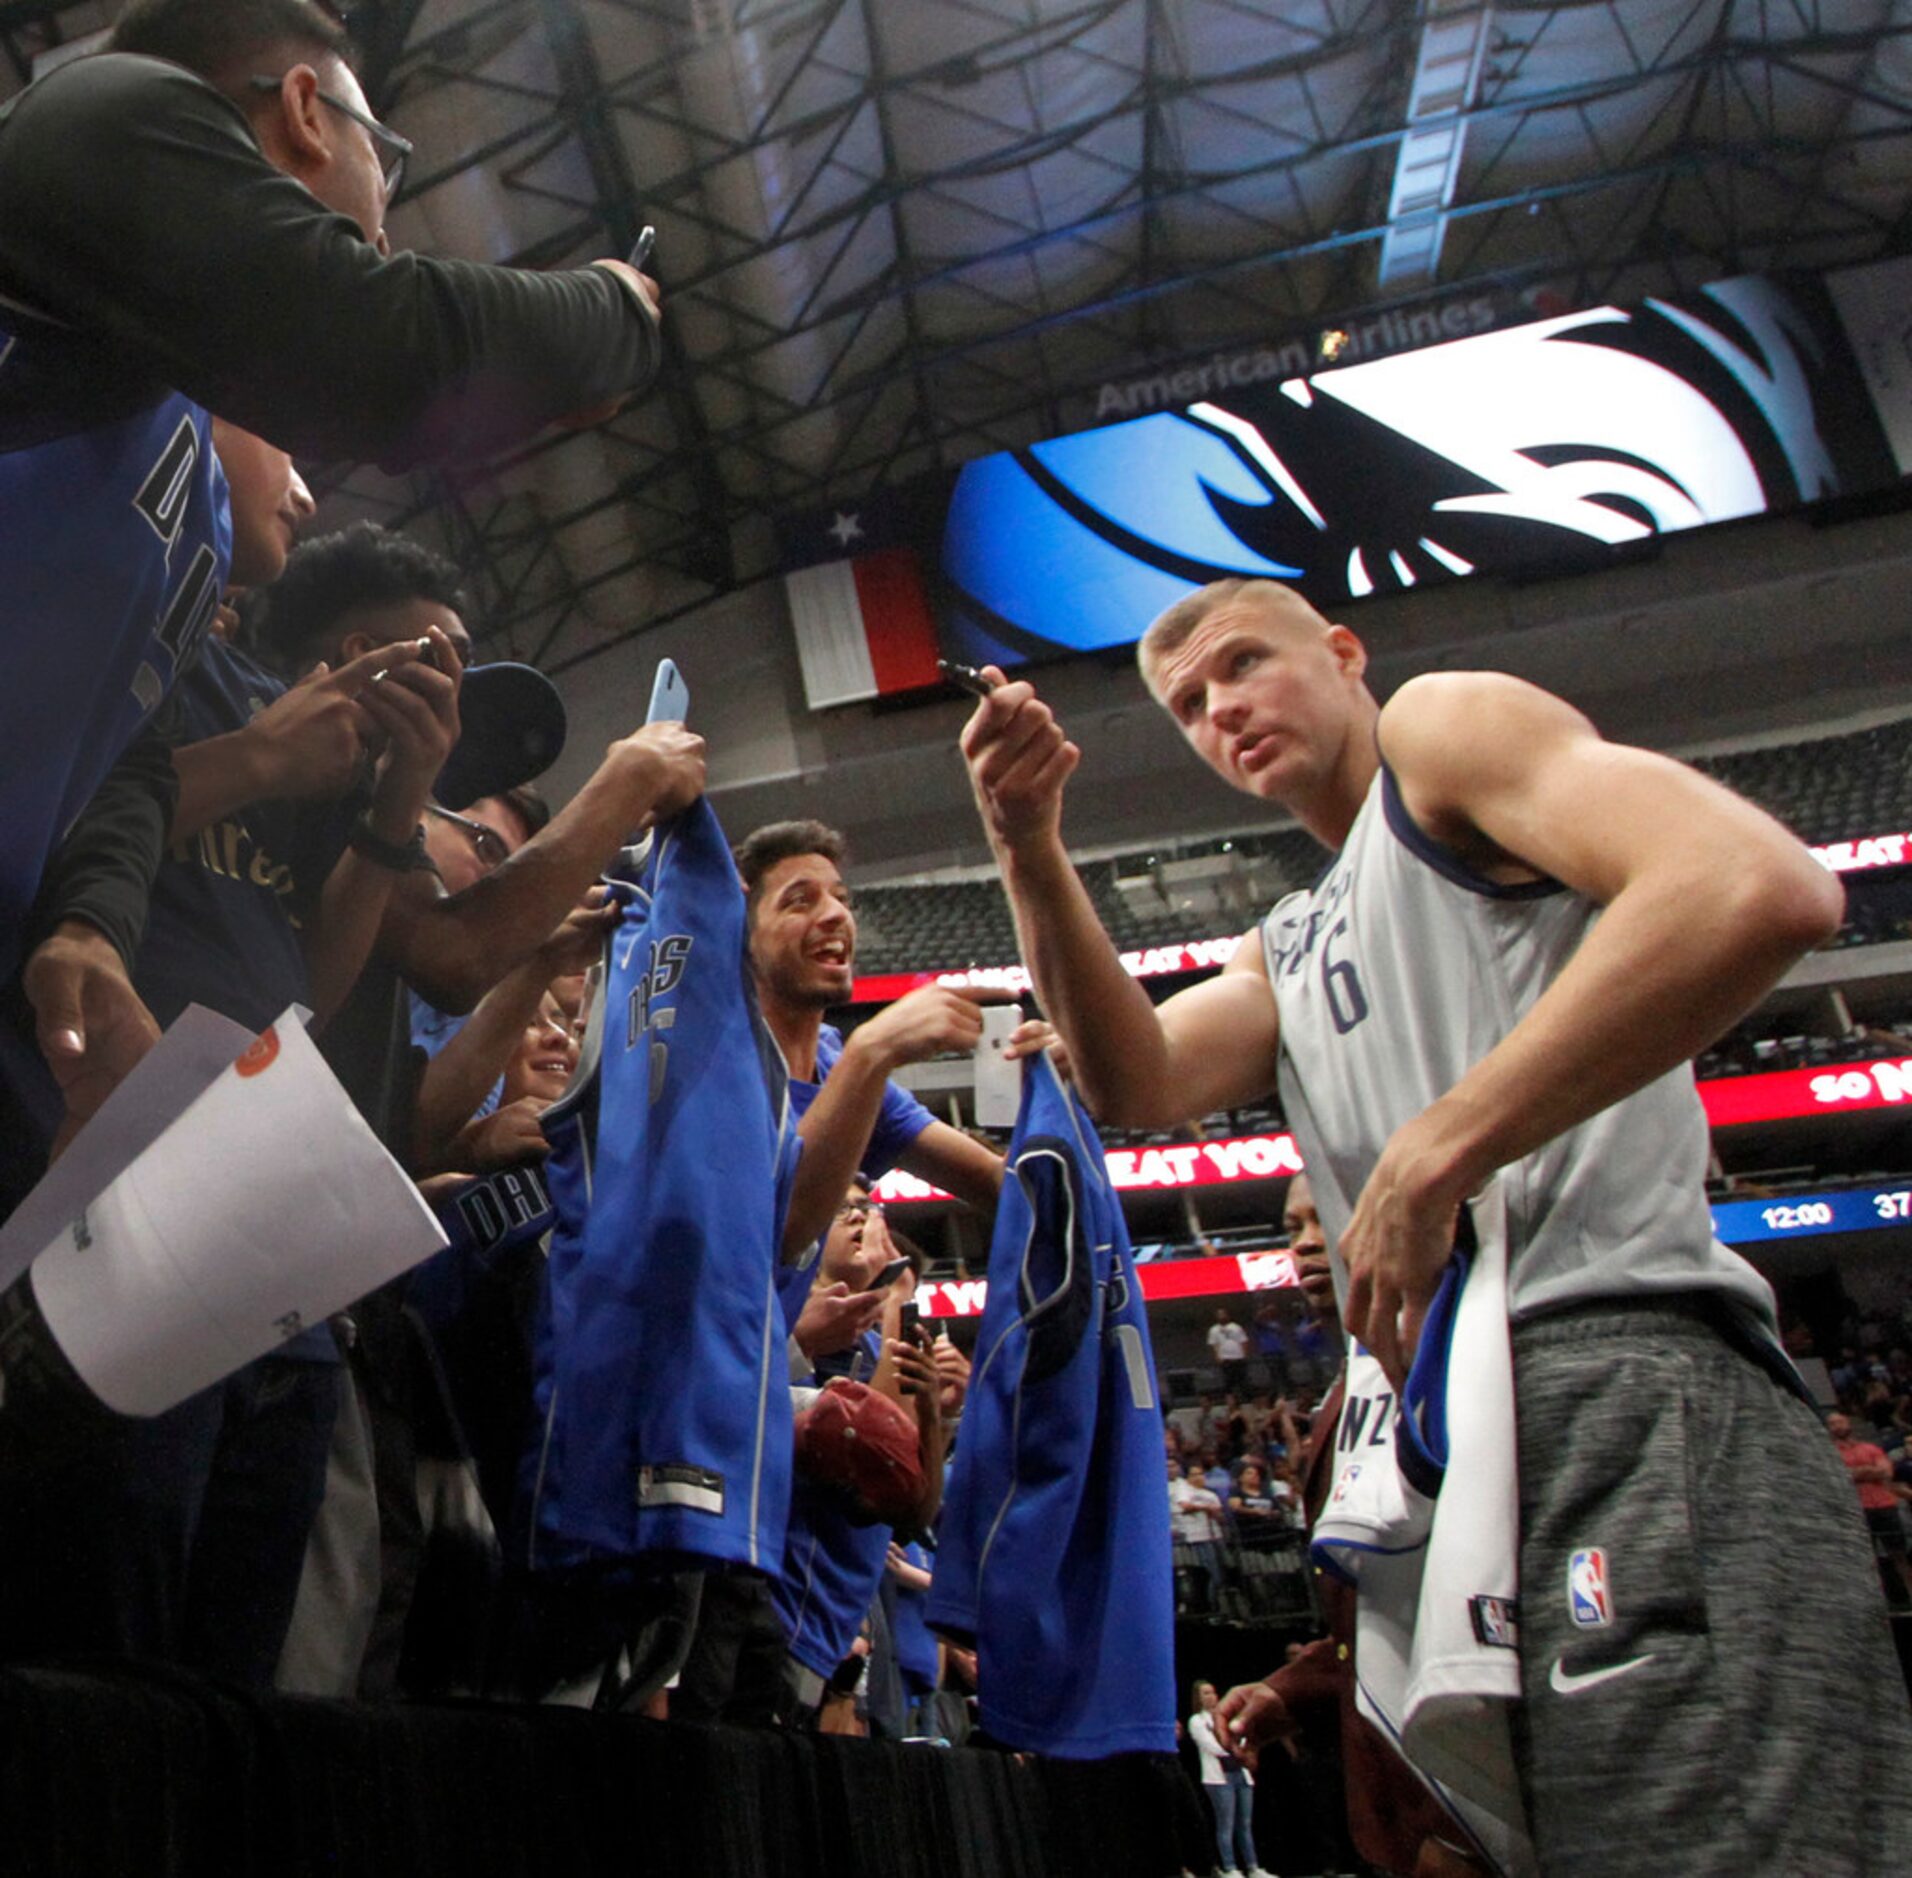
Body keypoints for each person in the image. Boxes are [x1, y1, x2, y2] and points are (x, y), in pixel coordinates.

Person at [959, 575, 1912, 1871]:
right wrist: (1025, 839)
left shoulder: (1442, 730)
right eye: (1188, 703)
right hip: (1454, 1441)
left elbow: (1755, 880)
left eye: (1247, 663)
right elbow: (1135, 1078)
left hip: (1617, 1362)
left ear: (1345, 651)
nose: (1221, 707)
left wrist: (1438, 1147)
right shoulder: (1283, 941)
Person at [1, 0, 664, 1116]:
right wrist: (616, 311)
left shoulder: (191, 490)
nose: (385, 228)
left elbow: (117, 760)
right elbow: (383, 355)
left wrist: (89, 924)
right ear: (308, 108)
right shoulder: (100, 111)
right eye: (387, 171)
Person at [1188, 1679, 1272, 1878]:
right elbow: (1212, 1745)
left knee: (1245, 1823)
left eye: (1213, 1692)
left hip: (1240, 1774)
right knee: (1226, 1823)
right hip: (1219, 1778)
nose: (1212, 1697)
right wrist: (1233, 1749)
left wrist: (1238, 1747)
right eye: (1206, 1693)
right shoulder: (1197, 1721)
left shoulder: (1226, 1716)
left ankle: (1253, 1867)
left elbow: (1242, 1735)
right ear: (1198, 1698)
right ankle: (1230, 1867)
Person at [1830, 1410, 1912, 1607]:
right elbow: (1839, 1475)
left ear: (1848, 1422)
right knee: (1867, 1559)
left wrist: (1860, 1473)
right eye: (1833, 1424)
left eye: (1840, 1421)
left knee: (1900, 1555)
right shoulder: (1830, 1453)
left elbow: (1886, 1471)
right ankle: (1879, 1604)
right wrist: (1868, 1471)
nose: (1838, 1426)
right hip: (1857, 1508)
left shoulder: (1870, 1447)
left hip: (1884, 1504)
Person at [1207, 1307, 1251, 1395]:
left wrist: (1245, 1355)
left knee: (1244, 1381)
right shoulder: (1213, 1329)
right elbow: (1214, 1345)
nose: (1221, 1316)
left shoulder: (1236, 1327)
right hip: (1225, 1359)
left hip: (1239, 1358)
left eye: (1223, 1314)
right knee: (1228, 1384)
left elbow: (1244, 1341)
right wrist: (1218, 1357)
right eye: (1219, 1315)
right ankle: (1232, 1404)